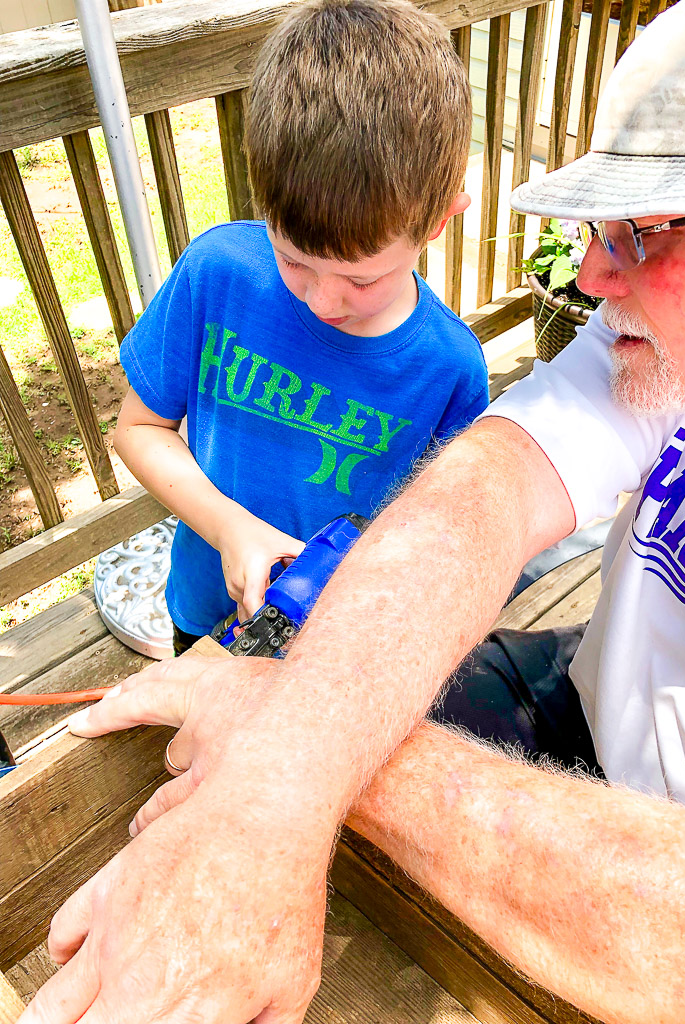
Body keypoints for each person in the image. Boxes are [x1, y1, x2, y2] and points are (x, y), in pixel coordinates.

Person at [18, 1, 685, 1023]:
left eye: (646, 228)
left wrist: (285, 742)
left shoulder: (458, 357)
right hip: (578, 694)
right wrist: (288, 766)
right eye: (602, 227)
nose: (590, 275)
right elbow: (485, 488)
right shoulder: (661, 348)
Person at [114, 0, 488, 654]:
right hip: (205, 615)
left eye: (362, 280)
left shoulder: (451, 369)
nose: (322, 302)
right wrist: (231, 529)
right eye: (292, 261)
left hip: (338, 646)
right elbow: (138, 430)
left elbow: (440, 533)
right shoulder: (218, 273)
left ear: (439, 222)